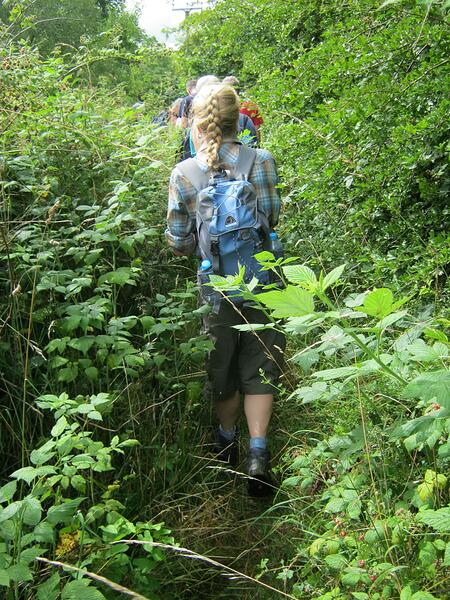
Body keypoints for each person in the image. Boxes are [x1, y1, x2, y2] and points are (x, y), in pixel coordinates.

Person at [166, 83, 285, 496]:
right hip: (263, 282)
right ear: (241, 120)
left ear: (197, 123)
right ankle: (258, 452)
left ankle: (225, 441)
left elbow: (179, 240)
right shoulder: (262, 160)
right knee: (261, 362)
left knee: (222, 365)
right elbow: (270, 219)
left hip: (214, 285)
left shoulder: (185, 173)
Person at [223, 75, 264, 144]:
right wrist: (258, 145)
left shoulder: (221, 107)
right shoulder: (250, 106)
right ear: (238, 90)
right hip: (248, 143)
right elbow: (257, 129)